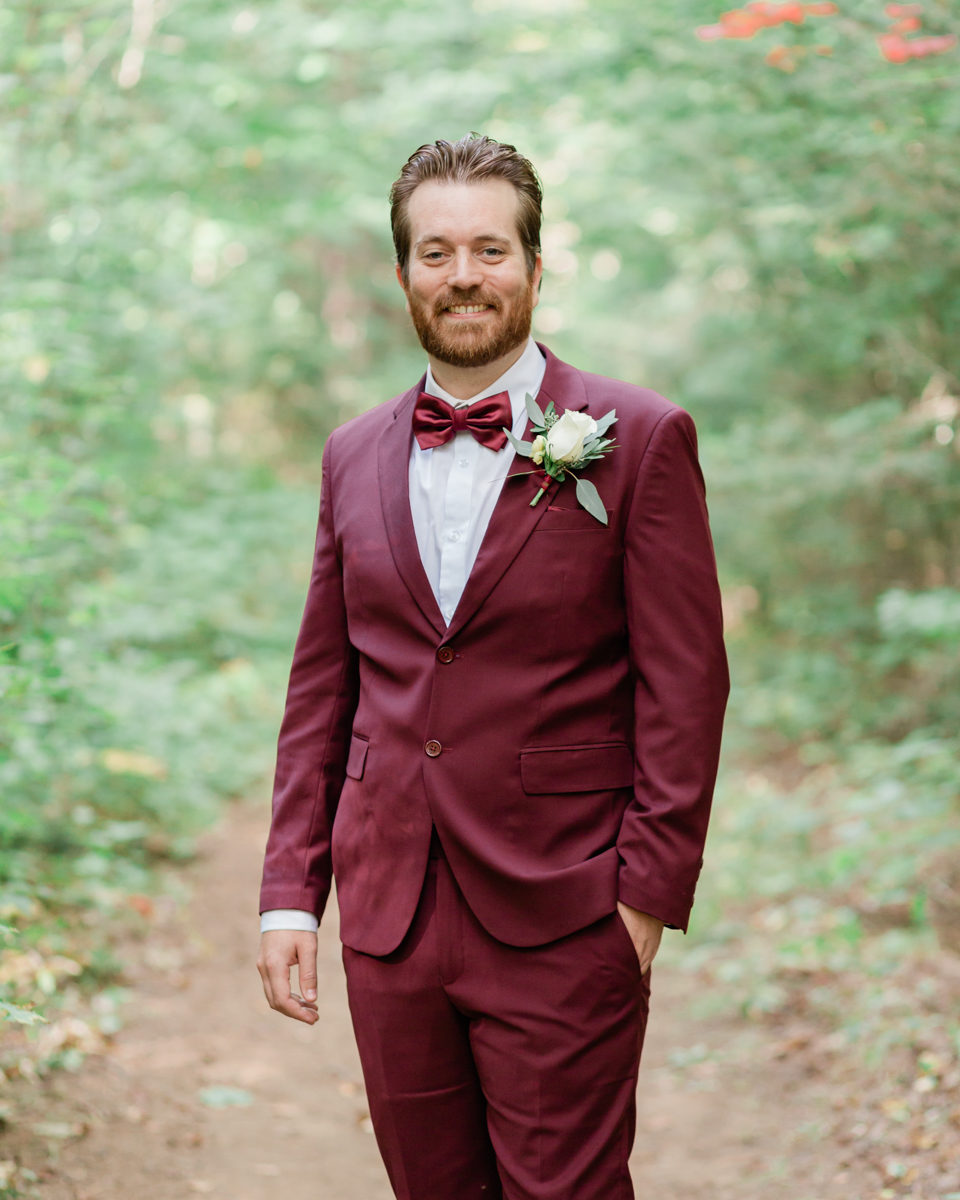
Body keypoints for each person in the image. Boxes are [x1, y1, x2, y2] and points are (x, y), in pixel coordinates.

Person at [256, 133, 728, 1200]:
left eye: (488, 249)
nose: (463, 275)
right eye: (435, 253)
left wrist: (644, 895)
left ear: (534, 266)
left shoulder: (639, 435)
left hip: (566, 908)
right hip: (390, 916)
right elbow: (322, 690)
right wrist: (292, 894)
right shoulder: (350, 453)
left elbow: (686, 686)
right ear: (403, 275)